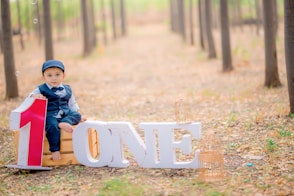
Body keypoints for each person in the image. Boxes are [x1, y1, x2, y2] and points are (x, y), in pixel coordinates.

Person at [29, 60, 85, 161]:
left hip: (65, 113)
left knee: (77, 115)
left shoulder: (67, 88)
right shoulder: (41, 89)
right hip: (51, 115)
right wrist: (35, 96)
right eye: (49, 75)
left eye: (57, 74)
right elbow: (30, 96)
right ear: (43, 77)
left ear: (64, 75)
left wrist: (77, 113)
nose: (54, 78)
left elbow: (72, 103)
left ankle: (64, 123)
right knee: (52, 126)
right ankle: (55, 150)